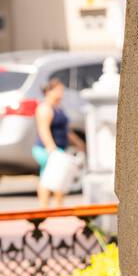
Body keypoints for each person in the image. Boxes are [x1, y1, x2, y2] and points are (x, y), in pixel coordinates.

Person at [34, 78, 85, 208]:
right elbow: (43, 129)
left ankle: (58, 206)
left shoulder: (58, 108)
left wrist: (79, 143)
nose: (61, 93)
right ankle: (44, 207)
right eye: (59, 90)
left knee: (60, 177)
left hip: (60, 148)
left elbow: (66, 130)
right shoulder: (45, 108)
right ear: (49, 91)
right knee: (47, 177)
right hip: (46, 149)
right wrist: (51, 147)